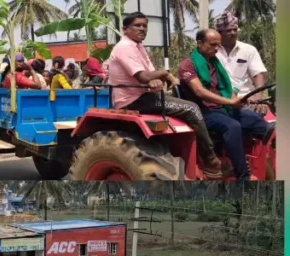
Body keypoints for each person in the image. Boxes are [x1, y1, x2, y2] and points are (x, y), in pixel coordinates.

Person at [106, 12, 222, 178]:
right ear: (125, 29)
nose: (142, 29)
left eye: (144, 25)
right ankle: (210, 160)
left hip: (144, 95)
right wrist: (165, 75)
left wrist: (155, 79)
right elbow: (143, 76)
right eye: (137, 25)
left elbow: (149, 74)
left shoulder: (137, 46)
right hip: (133, 100)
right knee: (192, 109)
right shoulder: (125, 47)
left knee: (185, 105)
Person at [178, 29, 268, 181]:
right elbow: (200, 91)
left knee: (261, 125)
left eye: (218, 45)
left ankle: (262, 162)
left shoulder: (215, 64)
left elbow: (226, 89)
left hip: (221, 109)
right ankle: (243, 176)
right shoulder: (187, 65)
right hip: (202, 112)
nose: (216, 48)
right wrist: (231, 102)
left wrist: (239, 99)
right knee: (232, 126)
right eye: (212, 44)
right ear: (199, 43)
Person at [213, 12, 270, 114]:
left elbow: (258, 74)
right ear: (219, 32)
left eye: (235, 29)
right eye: (229, 30)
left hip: (247, 99)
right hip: (222, 100)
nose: (233, 33)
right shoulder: (212, 51)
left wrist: (258, 100)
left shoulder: (248, 50)